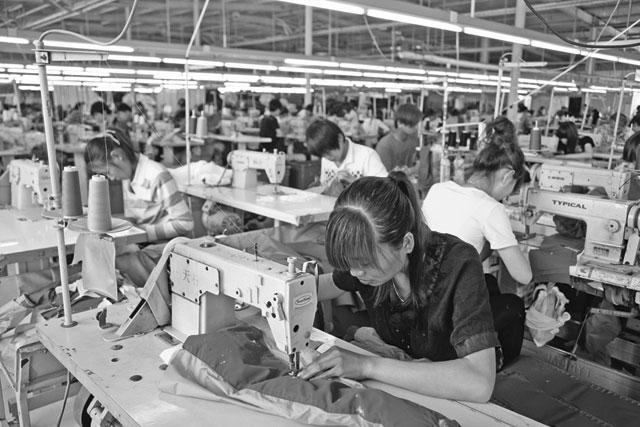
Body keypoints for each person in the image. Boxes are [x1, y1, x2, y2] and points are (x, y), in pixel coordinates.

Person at [300, 172, 499, 402]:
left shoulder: (458, 263)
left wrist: (366, 366)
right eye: (349, 264)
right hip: (405, 375)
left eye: (364, 264)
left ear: (406, 243)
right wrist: (282, 289)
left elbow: (480, 382)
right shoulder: (365, 260)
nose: (354, 273)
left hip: (452, 385)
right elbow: (324, 286)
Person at [422, 129, 532, 287]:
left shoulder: (438, 189)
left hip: (423, 285)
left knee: (490, 283)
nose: (506, 196)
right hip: (451, 292)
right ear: (507, 177)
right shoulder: (491, 208)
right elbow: (523, 276)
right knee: (507, 297)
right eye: (512, 188)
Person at [84, 133, 194, 286]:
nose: (111, 178)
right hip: (145, 242)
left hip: (171, 246)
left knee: (117, 264)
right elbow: (134, 218)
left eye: (108, 172)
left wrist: (143, 232)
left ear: (117, 156)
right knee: (100, 254)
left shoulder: (157, 175)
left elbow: (185, 224)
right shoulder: (129, 176)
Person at [306, 119, 387, 196]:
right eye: (323, 155)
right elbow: (324, 186)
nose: (327, 158)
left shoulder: (367, 156)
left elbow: (386, 190)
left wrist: (356, 183)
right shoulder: (325, 159)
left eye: (328, 153)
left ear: (339, 138)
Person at [375, 103, 421, 171]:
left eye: (416, 124)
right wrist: (412, 170)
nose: (416, 127)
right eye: (412, 125)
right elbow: (384, 174)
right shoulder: (385, 146)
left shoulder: (413, 141)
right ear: (399, 123)